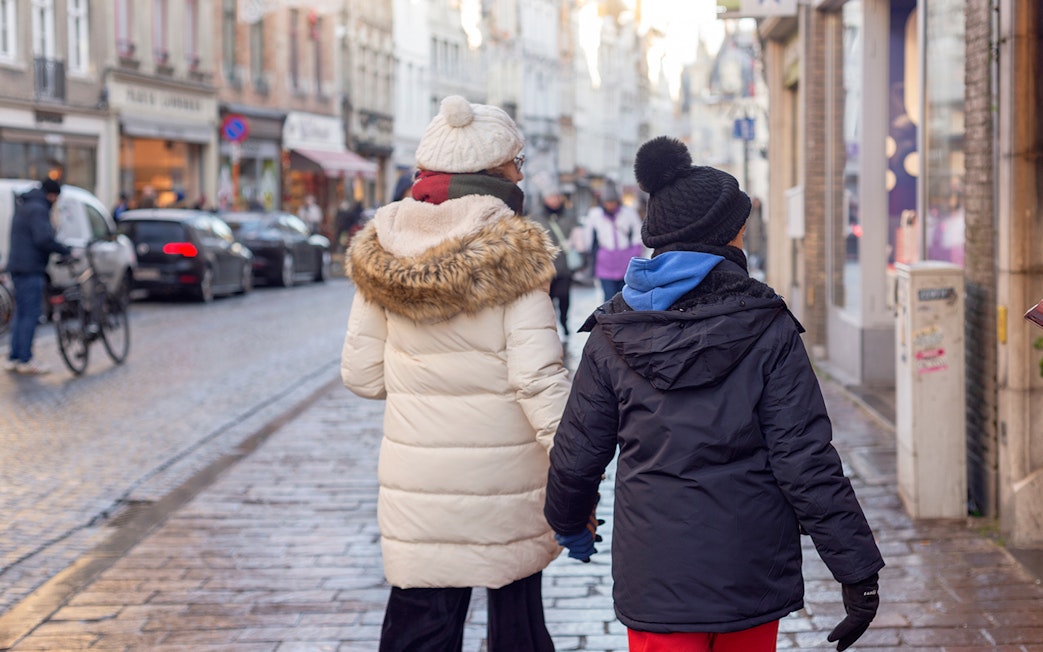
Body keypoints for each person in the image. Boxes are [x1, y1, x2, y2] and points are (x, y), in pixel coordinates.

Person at [544, 136, 884, 652]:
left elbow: (576, 456)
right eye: (743, 225)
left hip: (655, 570)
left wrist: (570, 524)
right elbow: (805, 460)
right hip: (749, 567)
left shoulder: (613, 333)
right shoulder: (768, 325)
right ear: (727, 235)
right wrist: (857, 570)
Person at [341, 95, 571, 652]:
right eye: (517, 163)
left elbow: (363, 375)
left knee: (419, 628)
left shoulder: (382, 249)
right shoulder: (515, 252)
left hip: (419, 491)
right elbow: (538, 381)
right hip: (504, 485)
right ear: (494, 174)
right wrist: (578, 468)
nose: (522, 172)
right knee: (517, 624)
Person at [5, 178, 71, 375]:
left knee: (21, 313)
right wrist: (63, 249)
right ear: (52, 195)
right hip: (30, 267)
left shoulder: (25, 204)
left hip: (18, 266)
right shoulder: (39, 208)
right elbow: (43, 238)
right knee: (31, 313)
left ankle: (15, 357)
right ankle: (25, 358)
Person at [528, 183, 580, 339]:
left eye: (556, 196)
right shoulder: (535, 216)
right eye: (551, 197)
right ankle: (550, 326)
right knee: (547, 299)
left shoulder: (569, 215)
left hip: (564, 264)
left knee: (564, 296)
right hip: (545, 266)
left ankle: (564, 322)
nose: (554, 200)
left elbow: (577, 237)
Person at [581, 181, 643, 301]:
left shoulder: (628, 213)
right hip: (605, 262)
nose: (610, 205)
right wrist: (591, 254)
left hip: (626, 260)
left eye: (613, 202)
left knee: (624, 296)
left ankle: (622, 319)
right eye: (607, 202)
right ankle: (609, 319)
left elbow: (637, 233)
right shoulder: (595, 215)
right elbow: (588, 236)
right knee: (609, 297)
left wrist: (635, 252)